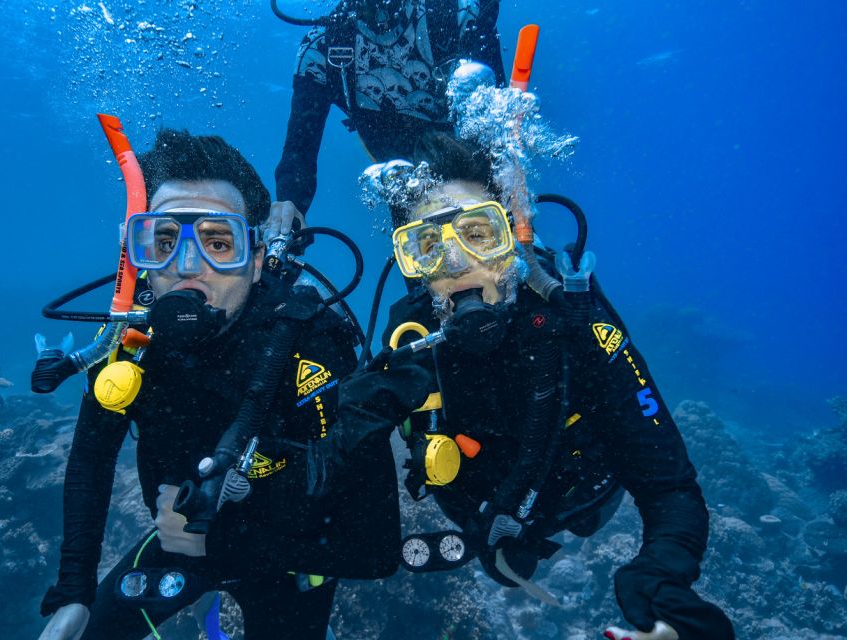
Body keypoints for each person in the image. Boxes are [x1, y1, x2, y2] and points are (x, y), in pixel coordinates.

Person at [37, 129, 415, 640]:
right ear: (136, 255)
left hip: (294, 560)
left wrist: (220, 543)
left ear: (256, 261)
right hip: (177, 546)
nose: (187, 266)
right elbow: (90, 461)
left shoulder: (311, 346)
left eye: (218, 242)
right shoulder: (133, 345)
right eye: (164, 241)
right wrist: (74, 590)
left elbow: (375, 551)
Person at [376, 132, 735, 639]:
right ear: (412, 263)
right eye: (429, 245)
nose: (455, 262)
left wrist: (662, 589)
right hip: (479, 516)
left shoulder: (579, 327)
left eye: (477, 233)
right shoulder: (409, 339)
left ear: (513, 239)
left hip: (578, 500)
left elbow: (670, 488)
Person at [268, 0, 505, 241]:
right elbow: (300, 149)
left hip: (479, 186)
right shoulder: (325, 50)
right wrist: (289, 211)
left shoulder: (456, 14)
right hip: (405, 192)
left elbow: (496, 125)